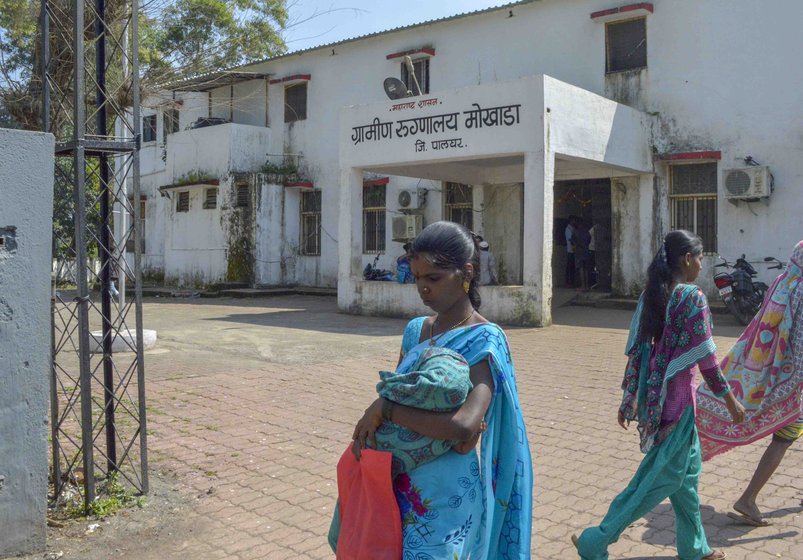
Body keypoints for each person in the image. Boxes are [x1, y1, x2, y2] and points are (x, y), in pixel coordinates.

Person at [332, 221, 533, 559]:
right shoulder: (415, 331)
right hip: (397, 479)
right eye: (418, 279)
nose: (423, 288)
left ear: (466, 273)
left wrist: (386, 409)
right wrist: (385, 406)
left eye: (433, 279)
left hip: (445, 494)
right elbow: (399, 391)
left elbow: (465, 425)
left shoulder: (483, 339)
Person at [573, 230, 745, 560]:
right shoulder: (692, 298)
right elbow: (708, 362)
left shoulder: (654, 293)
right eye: (699, 257)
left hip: (660, 401)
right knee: (653, 482)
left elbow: (637, 350)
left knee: (687, 479)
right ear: (686, 259)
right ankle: (598, 539)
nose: (701, 264)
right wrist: (731, 401)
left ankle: (696, 549)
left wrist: (629, 398)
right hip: (677, 408)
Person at [696, 240, 803, 526]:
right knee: (785, 438)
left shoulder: (785, 282)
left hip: (777, 370)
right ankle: (748, 499)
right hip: (793, 382)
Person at [574, 221, 591, 292]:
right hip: (586, 251)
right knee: (586, 269)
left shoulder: (576, 232)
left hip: (579, 252)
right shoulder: (587, 233)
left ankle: (582, 286)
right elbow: (589, 241)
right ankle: (587, 286)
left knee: (581, 269)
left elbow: (573, 241)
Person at [565, 216, 577, 288]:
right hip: (570, 250)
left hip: (573, 250)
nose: (574, 222)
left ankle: (571, 282)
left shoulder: (572, 228)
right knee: (569, 267)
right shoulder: (568, 229)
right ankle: (568, 282)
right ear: (571, 221)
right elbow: (570, 239)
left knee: (572, 267)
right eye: (574, 220)